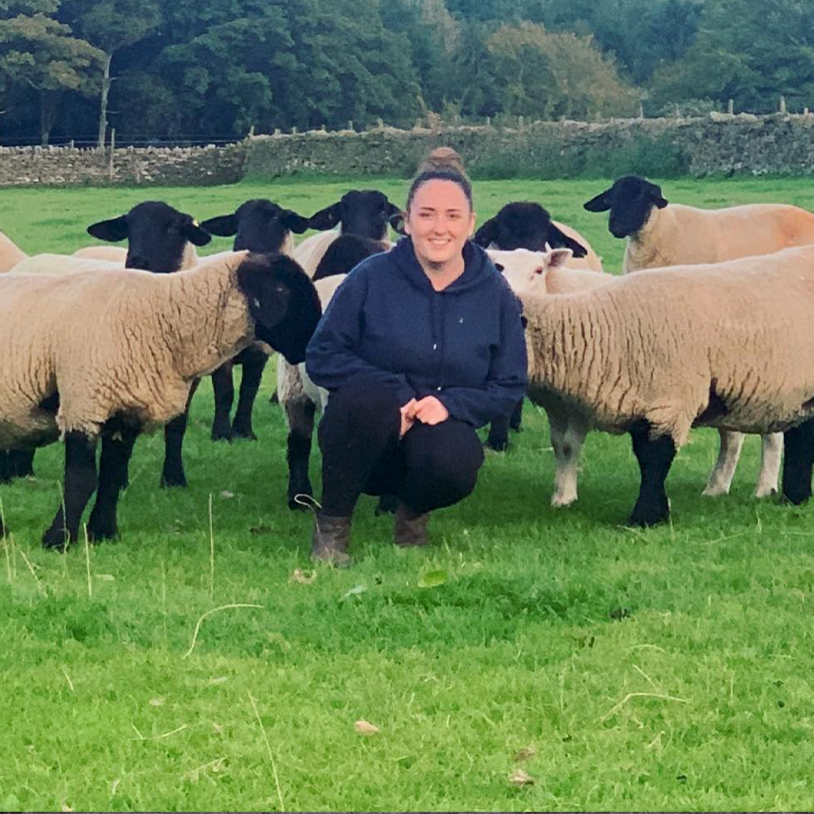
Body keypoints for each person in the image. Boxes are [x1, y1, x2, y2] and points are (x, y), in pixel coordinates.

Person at [304, 165, 528, 565]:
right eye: (426, 214)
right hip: (368, 434)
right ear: (406, 222)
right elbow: (323, 355)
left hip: (435, 437)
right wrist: (398, 393)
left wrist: (450, 405)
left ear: (471, 224)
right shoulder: (370, 277)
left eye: (452, 216)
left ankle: (412, 520)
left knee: (457, 460)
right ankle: (333, 528)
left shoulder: (494, 293)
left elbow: (509, 383)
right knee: (364, 401)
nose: (439, 228)